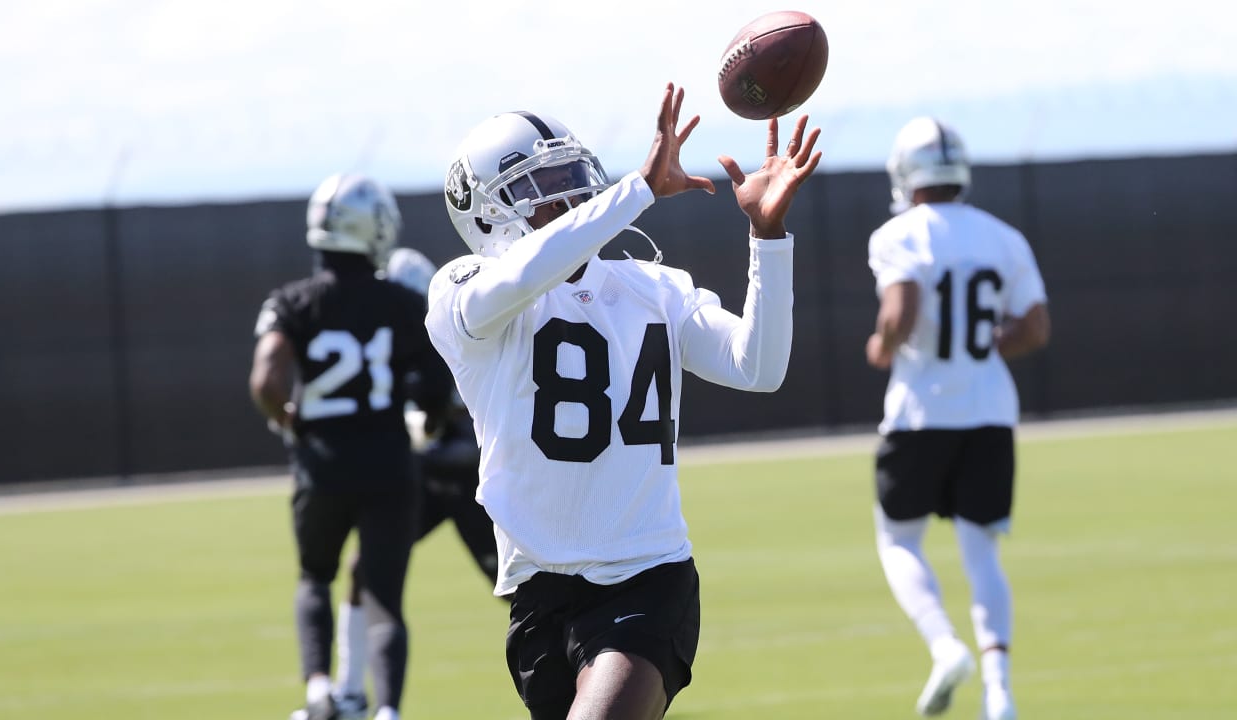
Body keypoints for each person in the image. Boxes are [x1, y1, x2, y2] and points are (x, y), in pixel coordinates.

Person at [424, 82, 821, 720]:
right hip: (538, 589)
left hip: (647, 574)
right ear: (486, 212)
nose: (570, 195)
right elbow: (524, 274)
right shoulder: (463, 292)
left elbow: (758, 367)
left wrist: (768, 240)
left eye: (571, 175)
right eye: (538, 184)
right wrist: (634, 191)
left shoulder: (654, 288)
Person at [864, 117, 1050, 720]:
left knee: (899, 541)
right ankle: (1000, 691)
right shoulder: (1003, 236)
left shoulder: (901, 234)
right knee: (982, 552)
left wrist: (884, 346)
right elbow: (1035, 328)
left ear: (906, 174)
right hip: (990, 410)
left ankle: (945, 648)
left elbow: (902, 307)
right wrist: (983, 342)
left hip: (921, 411)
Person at [249, 173, 453, 720]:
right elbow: (439, 386)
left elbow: (266, 379)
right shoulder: (403, 302)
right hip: (389, 464)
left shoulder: (292, 301)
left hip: (322, 464)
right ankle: (386, 710)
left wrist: (288, 419)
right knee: (384, 599)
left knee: (316, 576)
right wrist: (427, 422)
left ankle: (320, 691)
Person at [326, 247, 504, 713]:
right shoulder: (392, 340)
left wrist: (418, 437)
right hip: (423, 480)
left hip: (471, 483)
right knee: (363, 569)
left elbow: (467, 431)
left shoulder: (456, 335)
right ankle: (349, 692)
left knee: (518, 585)